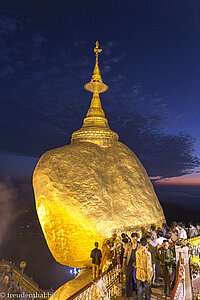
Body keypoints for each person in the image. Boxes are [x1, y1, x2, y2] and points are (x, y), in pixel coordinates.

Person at [123, 233, 140, 297]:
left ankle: (135, 291)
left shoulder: (139, 246)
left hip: (136, 265)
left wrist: (136, 262)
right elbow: (125, 255)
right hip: (129, 264)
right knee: (128, 279)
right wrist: (123, 265)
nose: (134, 241)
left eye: (135, 239)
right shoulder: (128, 245)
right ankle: (128, 293)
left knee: (135, 279)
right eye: (133, 239)